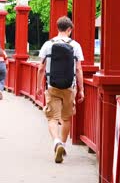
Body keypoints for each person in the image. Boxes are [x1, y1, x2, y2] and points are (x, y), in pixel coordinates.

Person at [36, 16, 85, 163]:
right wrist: (81, 89)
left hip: (52, 86)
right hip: (70, 87)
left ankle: (56, 141)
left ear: (58, 28)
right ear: (70, 30)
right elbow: (78, 69)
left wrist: (39, 86)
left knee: (52, 118)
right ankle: (63, 144)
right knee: (66, 118)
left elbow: (41, 68)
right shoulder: (75, 45)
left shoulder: (47, 44)